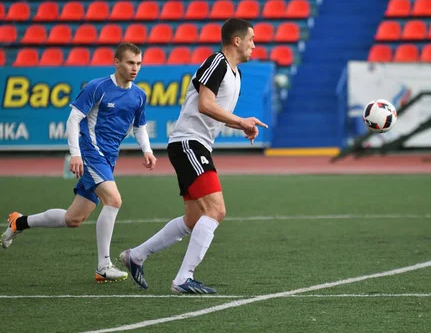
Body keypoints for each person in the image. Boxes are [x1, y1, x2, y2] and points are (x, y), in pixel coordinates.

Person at [120, 18, 267, 294]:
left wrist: (242, 124)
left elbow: (215, 111)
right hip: (189, 143)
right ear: (237, 40)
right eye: (252, 39)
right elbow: (205, 105)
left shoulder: (236, 73)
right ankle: (183, 278)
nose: (254, 45)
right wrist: (241, 120)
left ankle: (135, 256)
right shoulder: (218, 62)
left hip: (197, 145)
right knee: (216, 210)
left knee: (193, 219)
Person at [2, 42, 157, 283]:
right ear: (116, 62)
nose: (135, 68)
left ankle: (18, 222)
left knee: (73, 219)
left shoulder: (139, 95)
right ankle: (103, 266)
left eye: (138, 63)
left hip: (108, 158)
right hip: (90, 152)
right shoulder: (98, 87)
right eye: (129, 62)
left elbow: (139, 127)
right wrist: (75, 153)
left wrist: (146, 150)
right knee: (114, 200)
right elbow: (74, 119)